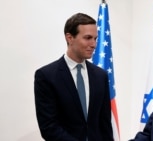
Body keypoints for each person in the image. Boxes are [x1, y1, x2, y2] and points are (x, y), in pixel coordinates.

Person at [34, 13, 114, 141]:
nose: (93, 44)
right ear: (69, 38)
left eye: (95, 38)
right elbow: (48, 127)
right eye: (88, 38)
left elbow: (105, 124)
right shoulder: (46, 76)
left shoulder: (101, 76)